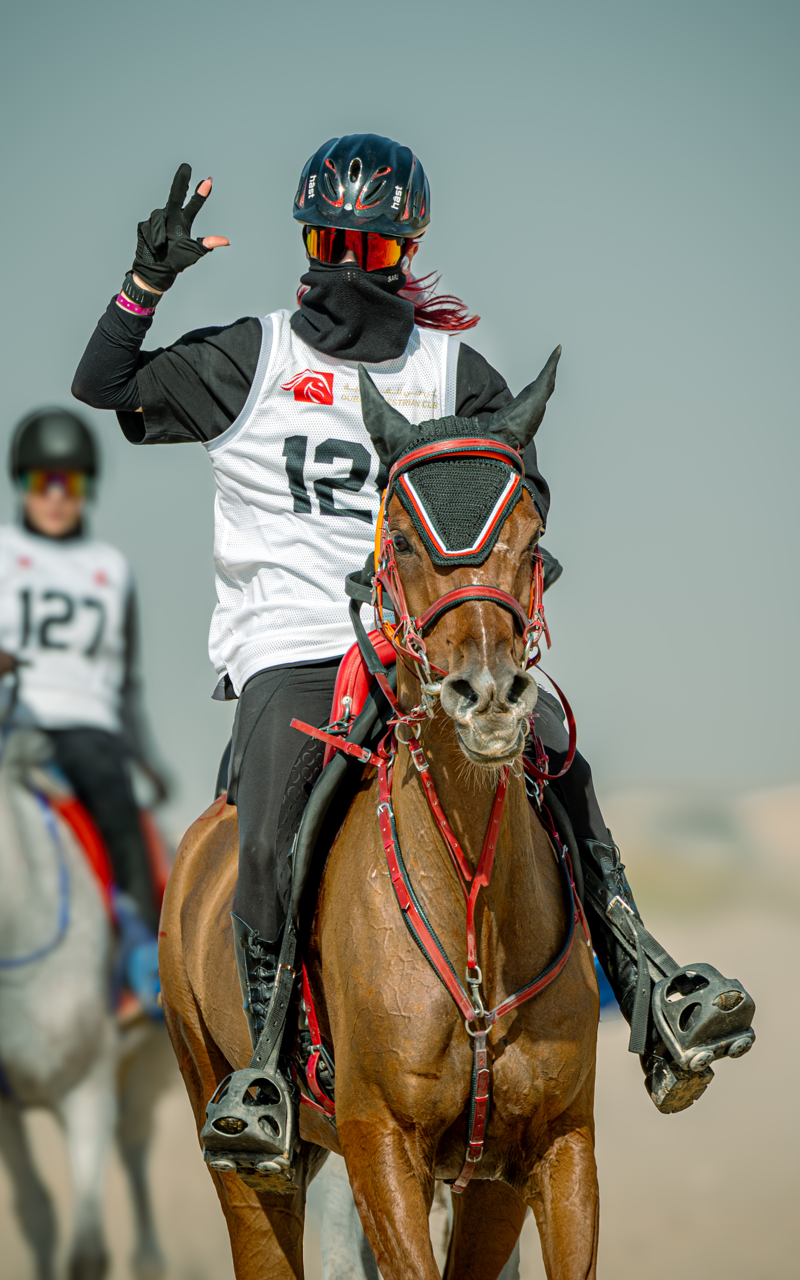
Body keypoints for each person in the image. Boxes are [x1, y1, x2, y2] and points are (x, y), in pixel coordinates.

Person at [72, 134, 750, 1178]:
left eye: (369, 248)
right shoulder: (247, 357)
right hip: (291, 645)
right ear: (304, 240)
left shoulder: (451, 372)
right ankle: (261, 1069)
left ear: (406, 252)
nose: (344, 262)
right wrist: (143, 281)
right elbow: (100, 381)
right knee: (265, 827)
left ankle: (649, 991)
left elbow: (524, 494)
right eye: (324, 238)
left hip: (425, 642)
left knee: (559, 750)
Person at [0, 408, 169, 1013]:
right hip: (15, 715)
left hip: (88, 724)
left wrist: (144, 757)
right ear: (23, 484)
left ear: (84, 490)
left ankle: (138, 944)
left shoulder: (109, 570)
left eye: (67, 483)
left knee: (108, 782)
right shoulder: (3, 552)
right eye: (41, 481)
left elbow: (126, 681)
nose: (53, 496)